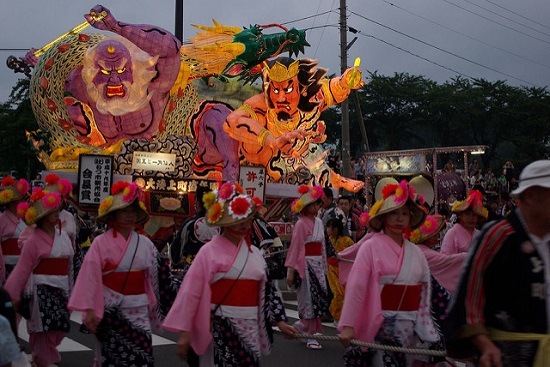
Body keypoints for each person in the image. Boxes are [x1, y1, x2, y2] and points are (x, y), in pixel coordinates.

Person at [163, 182, 297, 366]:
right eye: (237, 221)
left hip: (249, 328)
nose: (243, 225)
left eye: (247, 220)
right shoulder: (208, 252)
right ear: (225, 222)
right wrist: (187, 331)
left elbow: (268, 292)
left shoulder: (255, 254)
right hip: (220, 326)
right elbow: (191, 291)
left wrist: (280, 321)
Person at [445, 160, 550, 367]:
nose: (471, 218)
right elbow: (470, 297)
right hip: (507, 356)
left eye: (473, 214)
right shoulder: (498, 235)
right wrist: (484, 344)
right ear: (530, 196)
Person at [68, 181, 178, 366]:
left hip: (138, 312)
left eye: (132, 211)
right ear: (114, 214)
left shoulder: (146, 244)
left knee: (141, 357)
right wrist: (90, 309)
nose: (129, 215)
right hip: (111, 313)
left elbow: (163, 278)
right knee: (111, 358)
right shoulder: (100, 243)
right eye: (124, 211)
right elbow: (89, 278)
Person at [220, 56, 365, 192]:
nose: (281, 97)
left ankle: (336, 180)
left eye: (288, 89)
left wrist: (345, 81)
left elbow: (334, 88)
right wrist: (272, 141)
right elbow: (231, 122)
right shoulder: (261, 104)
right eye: (275, 90)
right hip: (264, 167)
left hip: (299, 159)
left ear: (301, 88)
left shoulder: (312, 99)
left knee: (312, 149)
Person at [338, 180, 440, 366]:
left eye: (404, 213)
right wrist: (348, 325)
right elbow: (357, 285)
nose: (399, 218)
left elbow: (427, 290)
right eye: (394, 213)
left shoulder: (416, 253)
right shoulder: (370, 247)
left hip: (410, 327)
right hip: (381, 324)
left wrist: (427, 324)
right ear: (384, 217)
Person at [4, 188, 73, 367]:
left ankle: (42, 358)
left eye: (57, 210)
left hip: (61, 289)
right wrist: (13, 295)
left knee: (59, 328)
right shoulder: (33, 241)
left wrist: (73, 291)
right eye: (51, 212)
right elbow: (22, 269)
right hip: (40, 291)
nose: (56, 214)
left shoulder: (64, 237)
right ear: (42, 216)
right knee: (42, 332)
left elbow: (70, 267)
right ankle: (44, 360)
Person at [285, 185, 331, 350]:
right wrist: (291, 270)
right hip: (305, 265)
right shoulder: (301, 224)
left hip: (317, 264)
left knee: (318, 298)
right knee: (308, 300)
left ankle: (308, 328)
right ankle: (308, 333)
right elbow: (295, 248)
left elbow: (323, 246)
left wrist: (325, 267)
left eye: (317, 204)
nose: (315, 207)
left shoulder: (319, 222)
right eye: (311, 204)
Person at [168, 186, 219, 275]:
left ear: (197, 203)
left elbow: (176, 251)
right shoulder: (221, 225)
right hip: (215, 271)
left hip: (193, 270)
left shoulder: (190, 223)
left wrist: (176, 259)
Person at [0, 177, 30, 283]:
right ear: (12, 203)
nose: (22, 202)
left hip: (23, 268)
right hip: (7, 267)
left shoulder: (25, 219)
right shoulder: (2, 220)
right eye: (19, 201)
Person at [440, 189, 488, 255]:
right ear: (461, 215)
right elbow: (445, 260)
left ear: (478, 218)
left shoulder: (480, 235)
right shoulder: (452, 234)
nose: (471, 218)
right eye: (467, 214)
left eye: (474, 215)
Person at [325, 217, 354, 325]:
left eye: (329, 227)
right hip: (331, 270)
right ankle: (336, 316)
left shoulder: (347, 241)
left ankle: (342, 316)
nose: (327, 229)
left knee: (345, 293)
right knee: (338, 293)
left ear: (335, 229)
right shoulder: (328, 240)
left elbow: (354, 252)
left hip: (343, 269)